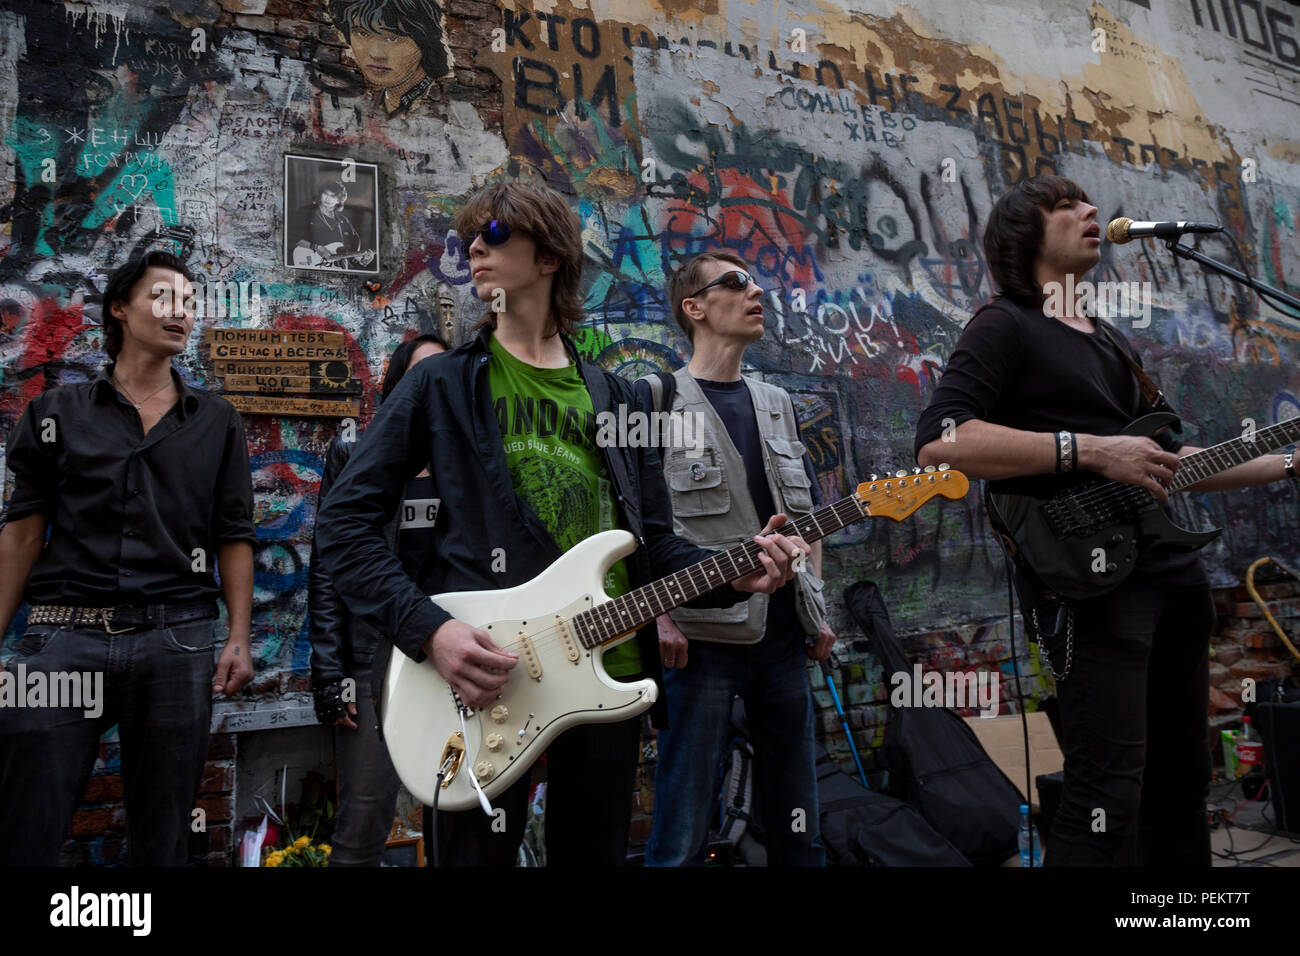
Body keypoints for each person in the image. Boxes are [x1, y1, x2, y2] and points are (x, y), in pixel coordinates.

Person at [314, 182, 807, 866]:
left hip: (608, 679)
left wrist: (737, 572)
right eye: (468, 239)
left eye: (493, 232)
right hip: (484, 681)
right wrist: (430, 631)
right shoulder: (443, 386)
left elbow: (654, 545)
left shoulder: (618, 397)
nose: (475, 248)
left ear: (549, 256)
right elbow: (343, 523)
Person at [913, 174, 1298, 866]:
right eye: (1065, 207)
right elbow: (943, 441)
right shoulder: (1005, 324)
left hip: (1172, 577)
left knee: (1183, 779)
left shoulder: (1111, 339)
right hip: (1092, 586)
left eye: (1088, 202)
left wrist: (1290, 463)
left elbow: (1173, 461)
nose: (1091, 211)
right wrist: (1089, 449)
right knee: (1105, 792)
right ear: (1023, 236)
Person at [0, 250, 256, 866]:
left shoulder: (216, 421)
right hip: (63, 639)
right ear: (119, 308)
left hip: (177, 639)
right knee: (24, 824)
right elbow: (22, 534)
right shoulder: (57, 413)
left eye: (190, 303)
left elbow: (234, 534)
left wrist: (239, 636)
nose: (181, 312)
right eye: (164, 297)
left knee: (162, 837)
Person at [637, 252, 835, 867]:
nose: (756, 292)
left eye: (756, 281)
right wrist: (659, 616)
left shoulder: (777, 401)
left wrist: (817, 608)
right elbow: (634, 524)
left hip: (781, 641)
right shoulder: (654, 399)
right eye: (735, 283)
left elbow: (808, 521)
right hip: (698, 646)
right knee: (681, 826)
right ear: (694, 308)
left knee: (798, 823)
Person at [309, 331, 447, 867]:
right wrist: (329, 672)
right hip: (373, 656)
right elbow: (327, 568)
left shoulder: (472, 463)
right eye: (422, 374)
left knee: (455, 812)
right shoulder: (355, 454)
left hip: (451, 649)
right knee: (364, 812)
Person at [327, 0, 449, 115]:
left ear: (423, 41)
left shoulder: (442, 103)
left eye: (392, 38)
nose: (375, 54)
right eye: (362, 33)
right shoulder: (388, 101)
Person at [294, 181, 375, 270]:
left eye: (333, 196)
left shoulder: (343, 220)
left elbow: (352, 252)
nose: (328, 199)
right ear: (320, 194)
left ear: (339, 200)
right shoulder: (306, 212)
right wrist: (318, 248)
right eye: (325, 194)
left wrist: (362, 259)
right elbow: (294, 238)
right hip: (308, 261)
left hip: (336, 270)